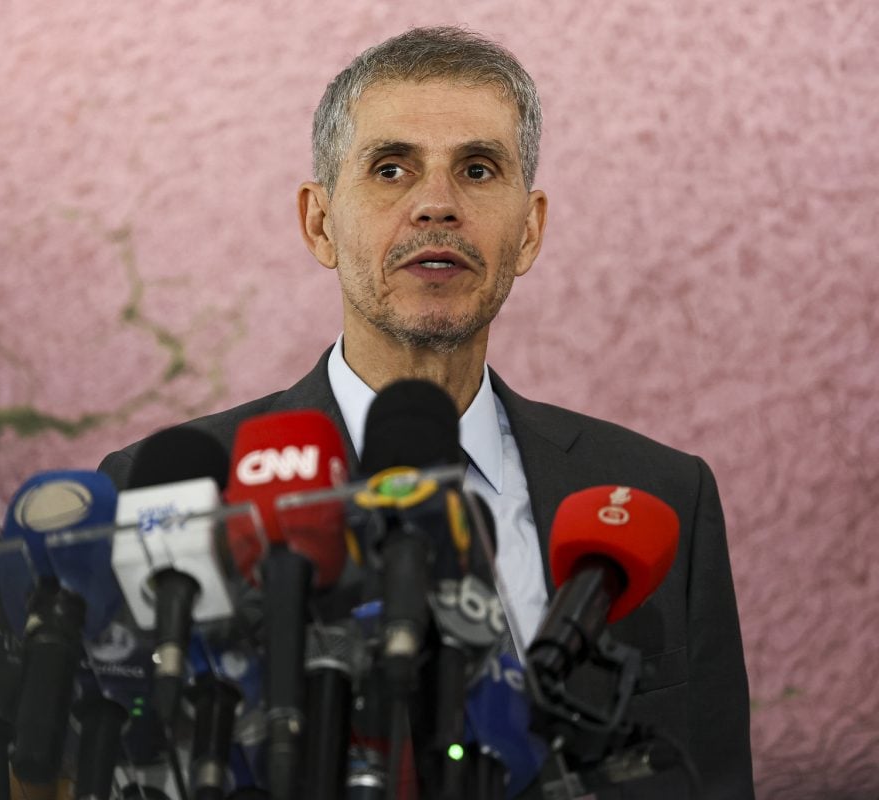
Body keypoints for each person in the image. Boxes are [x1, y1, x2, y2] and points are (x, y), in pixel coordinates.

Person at [99, 26, 752, 799]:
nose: (436, 205)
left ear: (529, 230)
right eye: (391, 169)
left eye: (477, 169)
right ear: (319, 223)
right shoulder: (164, 494)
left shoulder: (659, 494)